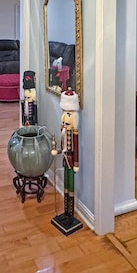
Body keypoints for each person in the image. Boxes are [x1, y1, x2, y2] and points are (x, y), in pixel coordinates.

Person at [51, 88, 83, 236]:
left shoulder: (73, 133)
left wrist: (76, 163)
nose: (64, 118)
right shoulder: (63, 130)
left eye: (68, 114)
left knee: (71, 187)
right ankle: (65, 211)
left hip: (70, 162)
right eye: (64, 114)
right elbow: (62, 146)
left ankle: (70, 214)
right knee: (66, 187)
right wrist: (56, 150)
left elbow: (75, 148)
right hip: (64, 160)